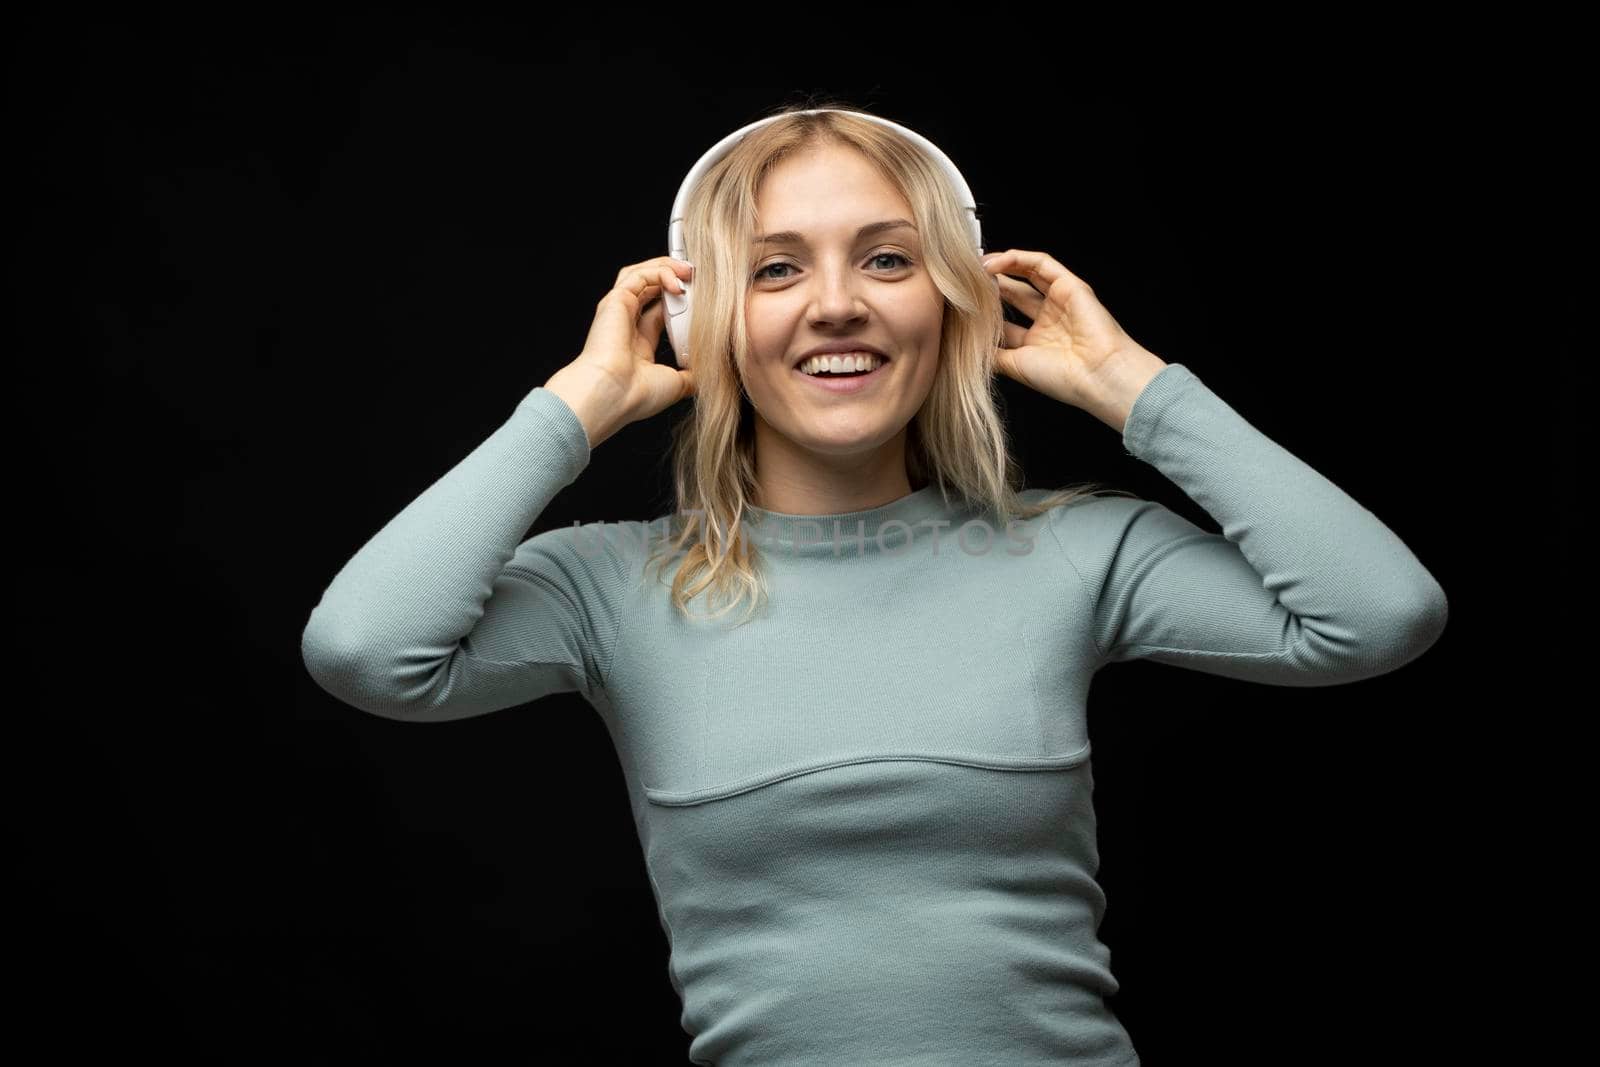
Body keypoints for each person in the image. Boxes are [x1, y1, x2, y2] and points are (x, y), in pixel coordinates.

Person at [301, 104, 1449, 1065]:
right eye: (775, 268)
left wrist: (1130, 386)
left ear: (948, 302)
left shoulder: (1080, 551)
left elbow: (1376, 614)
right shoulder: (609, 584)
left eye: (888, 258)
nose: (838, 302)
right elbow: (366, 648)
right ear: (702, 321)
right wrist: (574, 407)